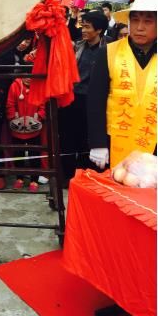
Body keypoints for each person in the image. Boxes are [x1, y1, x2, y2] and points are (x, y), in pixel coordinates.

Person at [88, 0, 157, 170]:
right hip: (115, 140)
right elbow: (95, 100)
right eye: (135, 20)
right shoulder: (108, 52)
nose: (139, 27)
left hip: (153, 142)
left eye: (148, 21)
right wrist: (98, 143)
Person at [58, 10, 109, 185]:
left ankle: (88, 177)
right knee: (68, 137)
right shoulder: (77, 46)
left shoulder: (109, 50)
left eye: (87, 27)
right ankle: (67, 176)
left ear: (99, 30)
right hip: (74, 99)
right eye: (83, 26)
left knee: (89, 139)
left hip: (95, 102)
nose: (83, 30)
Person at [7, 77, 45, 191]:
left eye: (31, 75)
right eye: (25, 75)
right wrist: (13, 118)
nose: (28, 78)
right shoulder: (14, 86)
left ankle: (34, 180)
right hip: (18, 128)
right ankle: (19, 178)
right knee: (18, 154)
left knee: (35, 155)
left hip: (34, 128)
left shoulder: (39, 86)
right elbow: (10, 104)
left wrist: (39, 116)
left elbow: (43, 104)